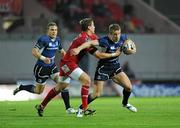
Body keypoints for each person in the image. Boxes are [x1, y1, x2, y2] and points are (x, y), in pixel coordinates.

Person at [35, 18, 121, 117]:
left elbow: (102, 42)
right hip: (68, 63)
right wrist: (114, 54)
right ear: (89, 27)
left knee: (60, 87)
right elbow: (99, 55)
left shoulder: (91, 36)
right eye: (93, 25)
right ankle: (84, 109)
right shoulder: (84, 39)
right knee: (87, 80)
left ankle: (41, 106)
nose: (94, 27)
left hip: (66, 63)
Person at [71, 23, 137, 117]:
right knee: (97, 94)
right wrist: (78, 48)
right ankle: (81, 108)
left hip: (115, 67)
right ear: (110, 34)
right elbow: (89, 43)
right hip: (103, 69)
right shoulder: (104, 41)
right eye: (114, 34)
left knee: (129, 87)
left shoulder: (123, 37)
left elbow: (130, 42)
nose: (117, 36)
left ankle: (125, 103)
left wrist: (133, 50)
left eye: (118, 33)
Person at [13, 22, 76, 114]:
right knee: (38, 91)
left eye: (55, 30)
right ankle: (22, 87)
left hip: (52, 67)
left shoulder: (58, 39)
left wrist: (68, 59)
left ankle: (68, 108)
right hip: (41, 69)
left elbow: (62, 51)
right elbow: (34, 51)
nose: (54, 32)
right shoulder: (43, 39)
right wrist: (43, 58)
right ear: (48, 31)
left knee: (63, 83)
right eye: (52, 30)